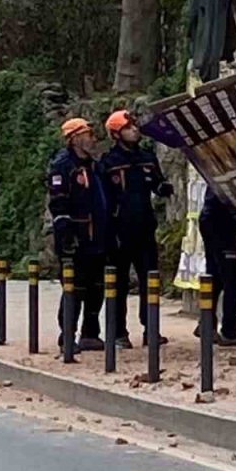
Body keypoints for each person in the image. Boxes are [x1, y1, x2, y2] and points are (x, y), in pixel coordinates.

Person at [97, 109, 173, 348]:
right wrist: (108, 232)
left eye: (134, 126)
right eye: (129, 128)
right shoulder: (108, 163)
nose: (135, 130)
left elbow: (157, 183)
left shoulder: (147, 157)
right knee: (118, 284)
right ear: (116, 134)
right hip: (119, 231)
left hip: (145, 228)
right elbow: (102, 202)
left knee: (150, 280)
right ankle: (118, 332)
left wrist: (163, 188)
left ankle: (151, 329)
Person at [48, 118, 108, 351]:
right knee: (74, 288)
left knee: (96, 287)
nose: (93, 138)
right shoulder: (62, 166)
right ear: (74, 138)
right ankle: (67, 335)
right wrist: (66, 235)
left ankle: (90, 333)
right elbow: (58, 203)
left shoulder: (95, 166)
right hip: (75, 239)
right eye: (88, 134)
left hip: (97, 238)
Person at [198, 187, 236, 346]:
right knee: (233, 279)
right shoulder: (231, 171)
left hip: (212, 220)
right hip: (220, 224)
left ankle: (206, 325)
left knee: (215, 277)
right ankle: (229, 331)